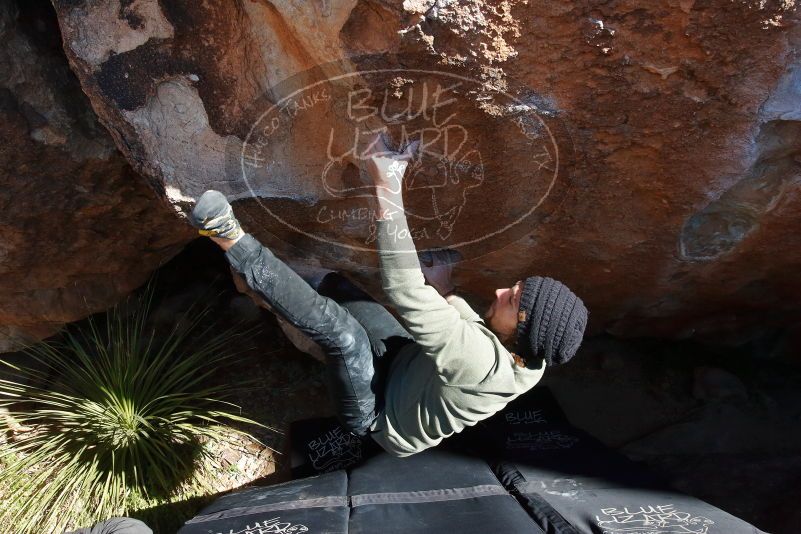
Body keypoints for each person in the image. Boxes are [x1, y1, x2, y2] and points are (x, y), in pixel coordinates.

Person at [189, 134, 588, 457]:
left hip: (379, 414)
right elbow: (470, 329)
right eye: (513, 287)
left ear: (520, 329)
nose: (501, 291)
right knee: (338, 288)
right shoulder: (529, 357)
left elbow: (403, 288)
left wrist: (387, 184)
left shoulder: (481, 364)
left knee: (342, 334)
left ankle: (229, 237)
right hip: (406, 362)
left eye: (512, 299)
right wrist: (445, 288)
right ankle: (275, 284)